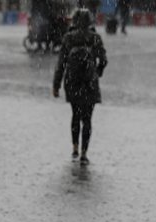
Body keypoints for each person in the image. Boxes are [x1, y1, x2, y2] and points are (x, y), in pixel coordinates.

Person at [53, 8, 107, 165]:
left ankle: (75, 147)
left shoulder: (68, 38)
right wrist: (97, 73)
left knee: (75, 115)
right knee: (87, 119)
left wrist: (56, 85)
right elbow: (103, 60)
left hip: (72, 82)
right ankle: (84, 152)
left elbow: (61, 64)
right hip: (90, 83)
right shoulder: (95, 38)